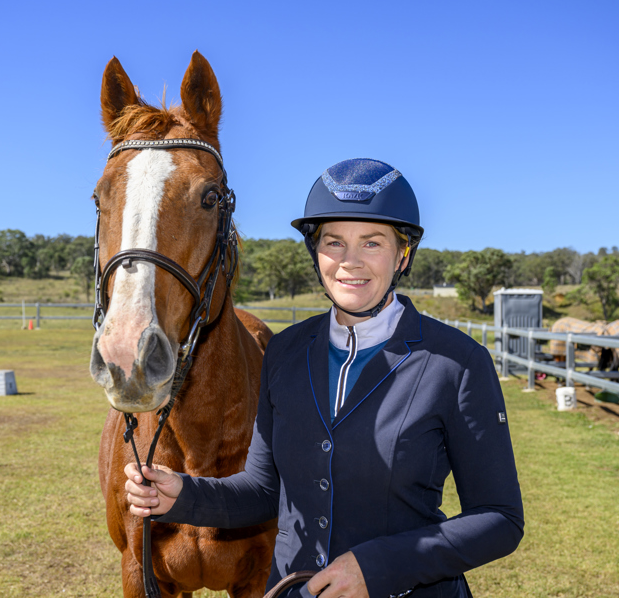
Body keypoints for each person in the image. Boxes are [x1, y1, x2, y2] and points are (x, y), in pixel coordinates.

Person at [125, 158, 524, 598]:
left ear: (403, 254)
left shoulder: (458, 362)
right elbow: (263, 490)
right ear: (316, 253)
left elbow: (500, 518)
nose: (350, 262)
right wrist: (183, 496)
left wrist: (382, 566)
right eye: (334, 242)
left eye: (372, 243)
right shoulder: (284, 351)